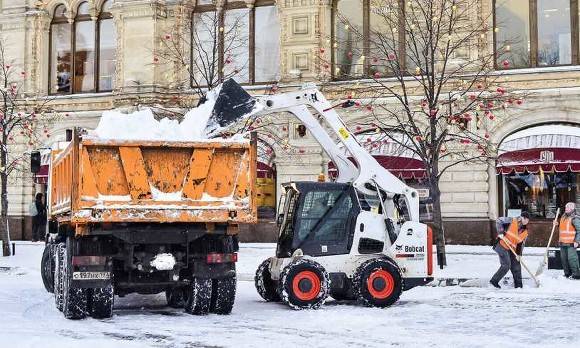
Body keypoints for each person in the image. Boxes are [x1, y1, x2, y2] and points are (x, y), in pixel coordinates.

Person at [490, 212, 530, 289]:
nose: (526, 221)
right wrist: (501, 232)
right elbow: (499, 220)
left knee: (516, 265)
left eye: (527, 220)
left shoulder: (525, 231)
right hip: (501, 245)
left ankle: (518, 286)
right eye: (525, 218)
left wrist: (519, 254)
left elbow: (521, 244)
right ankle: (494, 281)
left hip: (511, 249)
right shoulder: (511, 220)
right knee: (506, 265)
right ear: (521, 217)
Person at [553, 202, 580, 279]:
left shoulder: (575, 218)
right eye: (565, 207)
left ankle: (576, 274)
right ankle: (567, 273)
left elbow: (579, 231)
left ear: (572, 209)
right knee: (564, 259)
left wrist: (577, 241)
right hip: (562, 243)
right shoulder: (563, 217)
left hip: (571, 243)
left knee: (572, 259)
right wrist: (557, 224)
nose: (565, 208)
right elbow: (564, 228)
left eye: (567, 207)